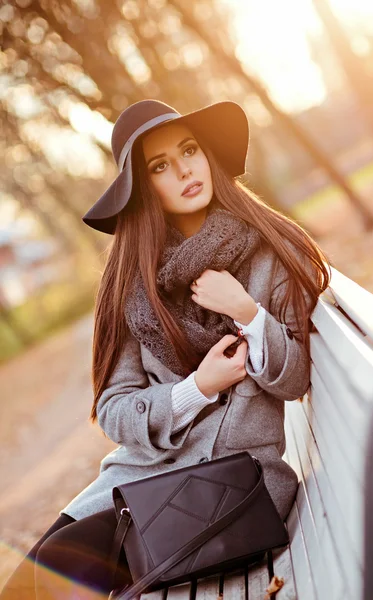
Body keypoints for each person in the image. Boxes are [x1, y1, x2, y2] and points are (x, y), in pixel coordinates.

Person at [0, 99, 332, 599]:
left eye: (189, 150)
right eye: (160, 165)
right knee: (24, 583)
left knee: (55, 572)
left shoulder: (268, 251)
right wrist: (195, 390)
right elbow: (113, 408)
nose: (183, 170)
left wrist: (247, 312)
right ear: (142, 188)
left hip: (233, 484)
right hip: (142, 474)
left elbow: (295, 379)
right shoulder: (132, 285)